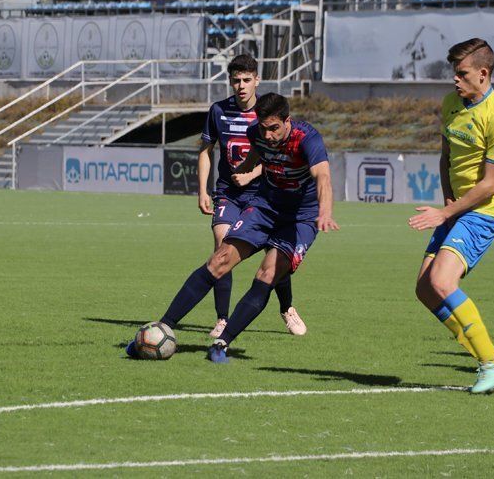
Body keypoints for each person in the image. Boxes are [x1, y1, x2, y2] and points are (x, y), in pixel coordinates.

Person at [127, 93, 338, 363]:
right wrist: (246, 170)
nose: (268, 134)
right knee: (220, 260)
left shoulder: (308, 138)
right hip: (265, 206)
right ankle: (162, 328)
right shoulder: (256, 133)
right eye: (263, 128)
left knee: (268, 272)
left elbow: (323, 176)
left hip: (301, 217)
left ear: (287, 121)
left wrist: (326, 211)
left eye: (274, 128)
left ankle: (222, 343)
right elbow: (257, 153)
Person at [408, 38, 494, 394]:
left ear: (483, 74)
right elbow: (446, 155)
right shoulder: (452, 103)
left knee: (442, 282)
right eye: (454, 73)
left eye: (462, 73)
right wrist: (447, 199)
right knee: (425, 290)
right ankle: (485, 353)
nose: (455, 80)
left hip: (483, 212)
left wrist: (446, 212)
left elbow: (491, 184)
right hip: (456, 208)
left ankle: (491, 361)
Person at [198, 54, 306, 337]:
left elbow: (277, 155)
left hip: (264, 194)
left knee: (276, 251)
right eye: (236, 80)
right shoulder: (218, 111)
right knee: (222, 243)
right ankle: (222, 319)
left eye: (247, 80)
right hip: (228, 193)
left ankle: (287, 308)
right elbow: (205, 152)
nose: (241, 86)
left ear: (257, 80)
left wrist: (250, 174)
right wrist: (202, 190)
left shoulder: (268, 112)